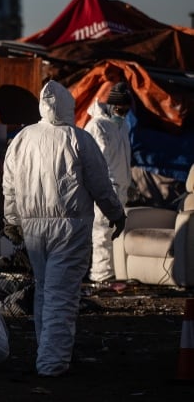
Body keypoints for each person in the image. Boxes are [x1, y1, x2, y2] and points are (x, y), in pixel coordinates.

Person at [2, 80, 126, 377]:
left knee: (45, 291)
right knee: (61, 295)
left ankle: (47, 352)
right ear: (69, 106)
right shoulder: (79, 139)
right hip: (69, 227)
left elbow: (9, 186)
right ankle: (52, 363)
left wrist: (12, 221)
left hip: (33, 227)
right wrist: (116, 214)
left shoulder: (23, 138)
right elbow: (100, 184)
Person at [83, 81, 132, 283]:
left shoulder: (121, 126)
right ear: (112, 106)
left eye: (126, 110)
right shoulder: (97, 126)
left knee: (114, 233)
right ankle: (101, 276)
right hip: (106, 188)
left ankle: (112, 274)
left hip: (120, 188)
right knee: (102, 232)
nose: (123, 114)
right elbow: (94, 162)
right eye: (120, 109)